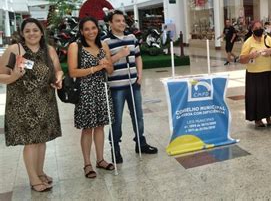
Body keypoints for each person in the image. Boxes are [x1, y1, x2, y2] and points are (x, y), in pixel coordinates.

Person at [0, 18, 63, 192]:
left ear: (41, 32)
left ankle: (40, 172)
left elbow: (58, 69)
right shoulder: (16, 50)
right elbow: (1, 75)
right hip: (23, 105)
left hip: (45, 102)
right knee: (31, 143)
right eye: (27, 31)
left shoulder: (48, 50)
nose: (32, 34)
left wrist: (58, 78)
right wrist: (14, 77)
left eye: (35, 30)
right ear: (22, 34)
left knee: (42, 141)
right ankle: (34, 179)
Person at [103, 10, 158, 164]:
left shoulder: (131, 37)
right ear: (110, 23)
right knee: (117, 120)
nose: (122, 23)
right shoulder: (105, 41)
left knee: (138, 116)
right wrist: (120, 55)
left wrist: (139, 75)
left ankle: (141, 142)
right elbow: (105, 64)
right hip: (116, 87)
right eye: (118, 21)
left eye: (123, 20)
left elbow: (138, 57)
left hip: (133, 84)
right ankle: (115, 148)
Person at [68, 17, 115, 178]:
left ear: (98, 28)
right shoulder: (75, 46)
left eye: (93, 28)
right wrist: (96, 68)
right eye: (86, 29)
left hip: (102, 90)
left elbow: (110, 71)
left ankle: (100, 159)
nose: (91, 32)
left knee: (101, 126)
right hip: (85, 91)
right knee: (87, 128)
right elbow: (73, 72)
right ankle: (87, 164)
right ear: (81, 31)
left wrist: (107, 65)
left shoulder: (104, 45)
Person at [239, 21, 271, 128]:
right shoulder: (248, 42)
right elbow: (242, 60)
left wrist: (270, 50)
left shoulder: (267, 38)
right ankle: (258, 119)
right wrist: (250, 56)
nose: (259, 29)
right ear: (252, 30)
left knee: (268, 95)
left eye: (260, 27)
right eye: (256, 28)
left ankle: (268, 117)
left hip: (267, 72)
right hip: (253, 74)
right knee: (256, 97)